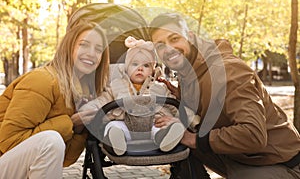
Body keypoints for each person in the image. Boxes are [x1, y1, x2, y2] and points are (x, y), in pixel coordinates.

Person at [149, 12, 300, 179]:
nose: (168, 49)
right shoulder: (189, 73)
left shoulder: (228, 70)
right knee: (177, 141)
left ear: (190, 37)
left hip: (276, 163)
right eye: (160, 45)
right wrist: (180, 98)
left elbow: (252, 134)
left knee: (186, 138)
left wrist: (192, 138)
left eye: (175, 39)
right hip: (240, 157)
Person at [0, 22, 110, 179]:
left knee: (52, 142)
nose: (92, 53)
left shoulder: (78, 93)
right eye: (84, 45)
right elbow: (9, 142)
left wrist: (78, 129)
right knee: (50, 141)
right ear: (69, 46)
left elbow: (65, 160)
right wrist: (70, 123)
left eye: (98, 49)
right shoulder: (42, 80)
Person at [79, 36, 200, 156]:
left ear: (153, 70)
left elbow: (176, 107)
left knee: (165, 125)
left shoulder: (160, 88)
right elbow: (102, 101)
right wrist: (85, 111)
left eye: (146, 66)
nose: (140, 68)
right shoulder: (116, 86)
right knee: (113, 126)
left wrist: (194, 121)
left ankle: (165, 139)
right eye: (135, 64)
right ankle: (116, 141)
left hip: (154, 124)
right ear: (126, 68)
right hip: (125, 123)